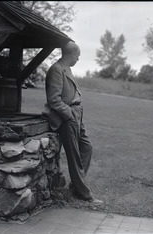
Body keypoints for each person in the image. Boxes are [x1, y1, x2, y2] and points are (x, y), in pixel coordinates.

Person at [42, 41, 102, 203]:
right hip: (66, 118)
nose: (78, 59)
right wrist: (69, 114)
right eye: (78, 56)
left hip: (75, 115)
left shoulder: (66, 68)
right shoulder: (56, 69)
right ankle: (84, 194)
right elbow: (54, 100)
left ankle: (75, 187)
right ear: (72, 54)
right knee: (74, 155)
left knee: (87, 147)